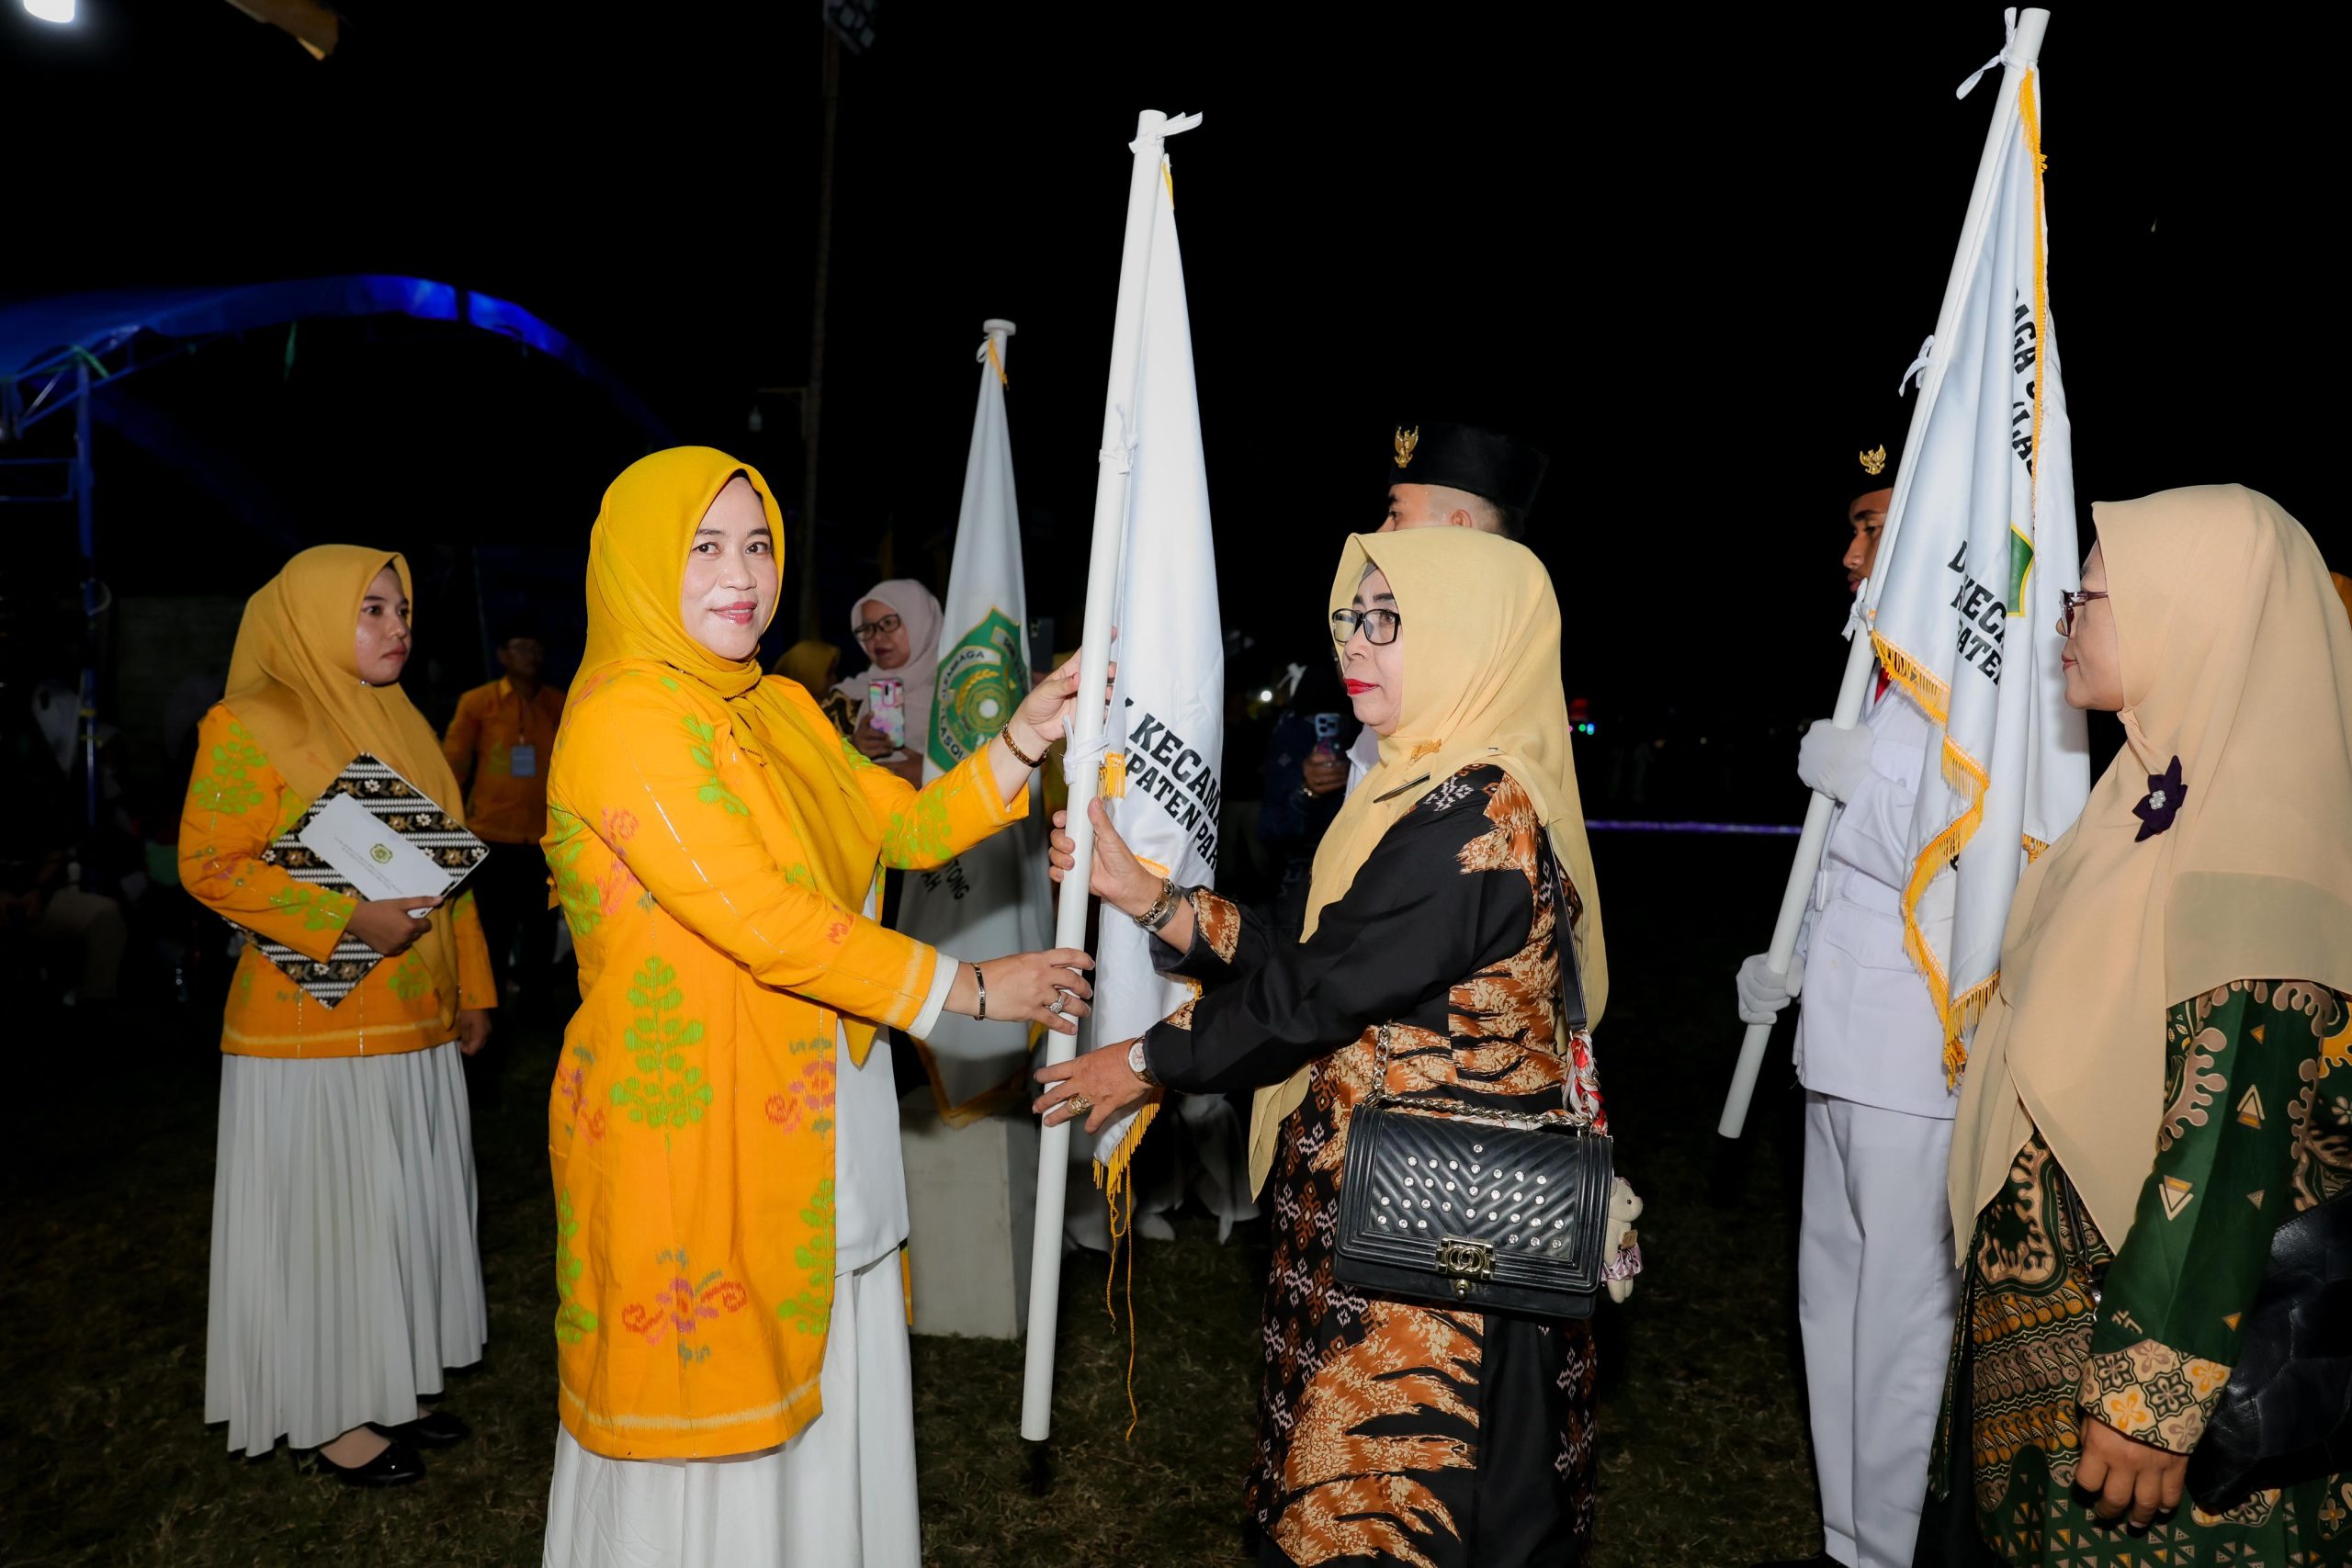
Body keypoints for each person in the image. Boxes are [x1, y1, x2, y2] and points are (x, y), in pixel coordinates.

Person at [537, 448, 1101, 1568]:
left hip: (815, 1099)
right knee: (712, 1405)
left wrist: (1026, 737)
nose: (740, 574)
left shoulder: (780, 707)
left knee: (823, 1358)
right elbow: (761, 915)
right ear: (641, 562)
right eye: (704, 547)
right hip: (694, 1122)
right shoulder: (625, 717)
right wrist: (969, 989)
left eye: (757, 544)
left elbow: (902, 825)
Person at [1037, 527, 1639, 1568]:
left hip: (1437, 1271)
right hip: (1380, 1221)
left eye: (1391, 620)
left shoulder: (1478, 818)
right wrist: (1155, 901)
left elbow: (1315, 993)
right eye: (1353, 617)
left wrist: (1143, 1062)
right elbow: (1326, 954)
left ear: (1470, 637)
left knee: (1394, 1513)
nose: (1355, 641)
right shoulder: (1421, 787)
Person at [1935, 486, 2352, 1565]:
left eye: (2094, 595)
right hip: (2046, 1346)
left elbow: (2227, 1145)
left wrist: (2149, 1395)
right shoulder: (2142, 796)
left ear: (2195, 614)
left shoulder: (2256, 846)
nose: (2067, 620)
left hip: (2148, 1389)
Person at [180, 546, 496, 1486]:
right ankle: (332, 1416)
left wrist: (474, 989)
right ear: (312, 616)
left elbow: (448, 872)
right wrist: (347, 916)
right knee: (335, 1225)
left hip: (415, 1018)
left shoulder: (404, 721)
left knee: (402, 1215)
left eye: (403, 610)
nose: (399, 627)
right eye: (373, 609)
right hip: (308, 1032)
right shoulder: (253, 721)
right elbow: (212, 865)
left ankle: (393, 1385)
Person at [1735, 424, 1955, 1568]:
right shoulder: (1878, 670)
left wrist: (1856, 789)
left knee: (1900, 1319)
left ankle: (1895, 1544)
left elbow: (1966, 858)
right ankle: (1848, 1539)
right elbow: (1844, 878)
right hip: (1840, 1038)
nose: (1849, 555)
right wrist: (1794, 969)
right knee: (1830, 1301)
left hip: (1914, 1053)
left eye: (1869, 529)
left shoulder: (1970, 679)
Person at [1342, 420, 1550, 795]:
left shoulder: (1488, 789)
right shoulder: (1393, 705)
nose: (1381, 532)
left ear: (1458, 530)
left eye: (1396, 515)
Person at [441, 627, 566, 1007]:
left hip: (545, 839)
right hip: (490, 836)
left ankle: (535, 1009)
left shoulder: (559, 704)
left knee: (541, 929)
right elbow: (454, 763)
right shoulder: (479, 702)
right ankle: (489, 1010)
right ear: (503, 656)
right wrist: (448, 825)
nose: (532, 654)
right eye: (522, 647)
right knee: (493, 931)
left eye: (537, 647)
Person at [836, 579, 943, 786]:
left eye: (889, 623)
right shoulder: (844, 700)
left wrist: (934, 773)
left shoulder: (961, 692)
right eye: (868, 628)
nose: (876, 638)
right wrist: (852, 749)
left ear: (921, 622)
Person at [773, 637, 854, 736]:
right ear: (809, 674)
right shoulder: (781, 718)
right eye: (828, 673)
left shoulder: (836, 708)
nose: (834, 679)